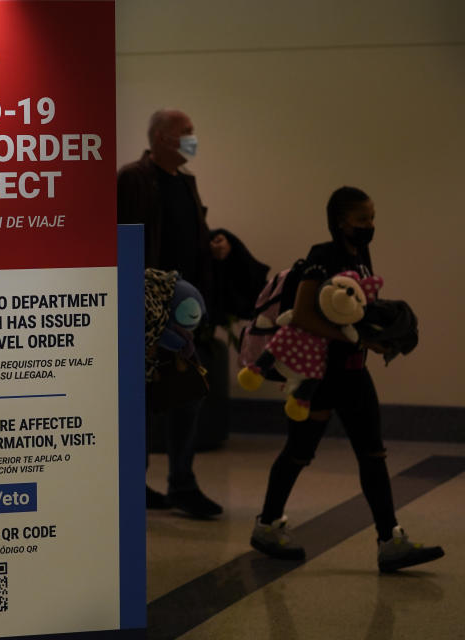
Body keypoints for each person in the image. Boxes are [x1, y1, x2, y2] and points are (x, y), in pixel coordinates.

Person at [250, 186, 445, 572]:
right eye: (362, 220)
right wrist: (358, 340)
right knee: (300, 451)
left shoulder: (362, 254)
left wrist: (382, 331)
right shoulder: (322, 256)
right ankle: (267, 526)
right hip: (320, 377)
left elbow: (354, 307)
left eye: (372, 218)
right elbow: (305, 315)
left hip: (355, 375)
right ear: (341, 221)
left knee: (373, 454)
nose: (370, 226)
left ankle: (390, 541)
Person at [117, 109, 229, 518]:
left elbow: (187, 234)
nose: (192, 139)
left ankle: (182, 482)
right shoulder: (135, 179)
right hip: (146, 307)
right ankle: (134, 482)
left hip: (183, 311)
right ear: (163, 137)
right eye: (186, 133)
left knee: (186, 395)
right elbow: (124, 239)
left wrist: (212, 248)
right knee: (141, 402)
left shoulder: (186, 183)